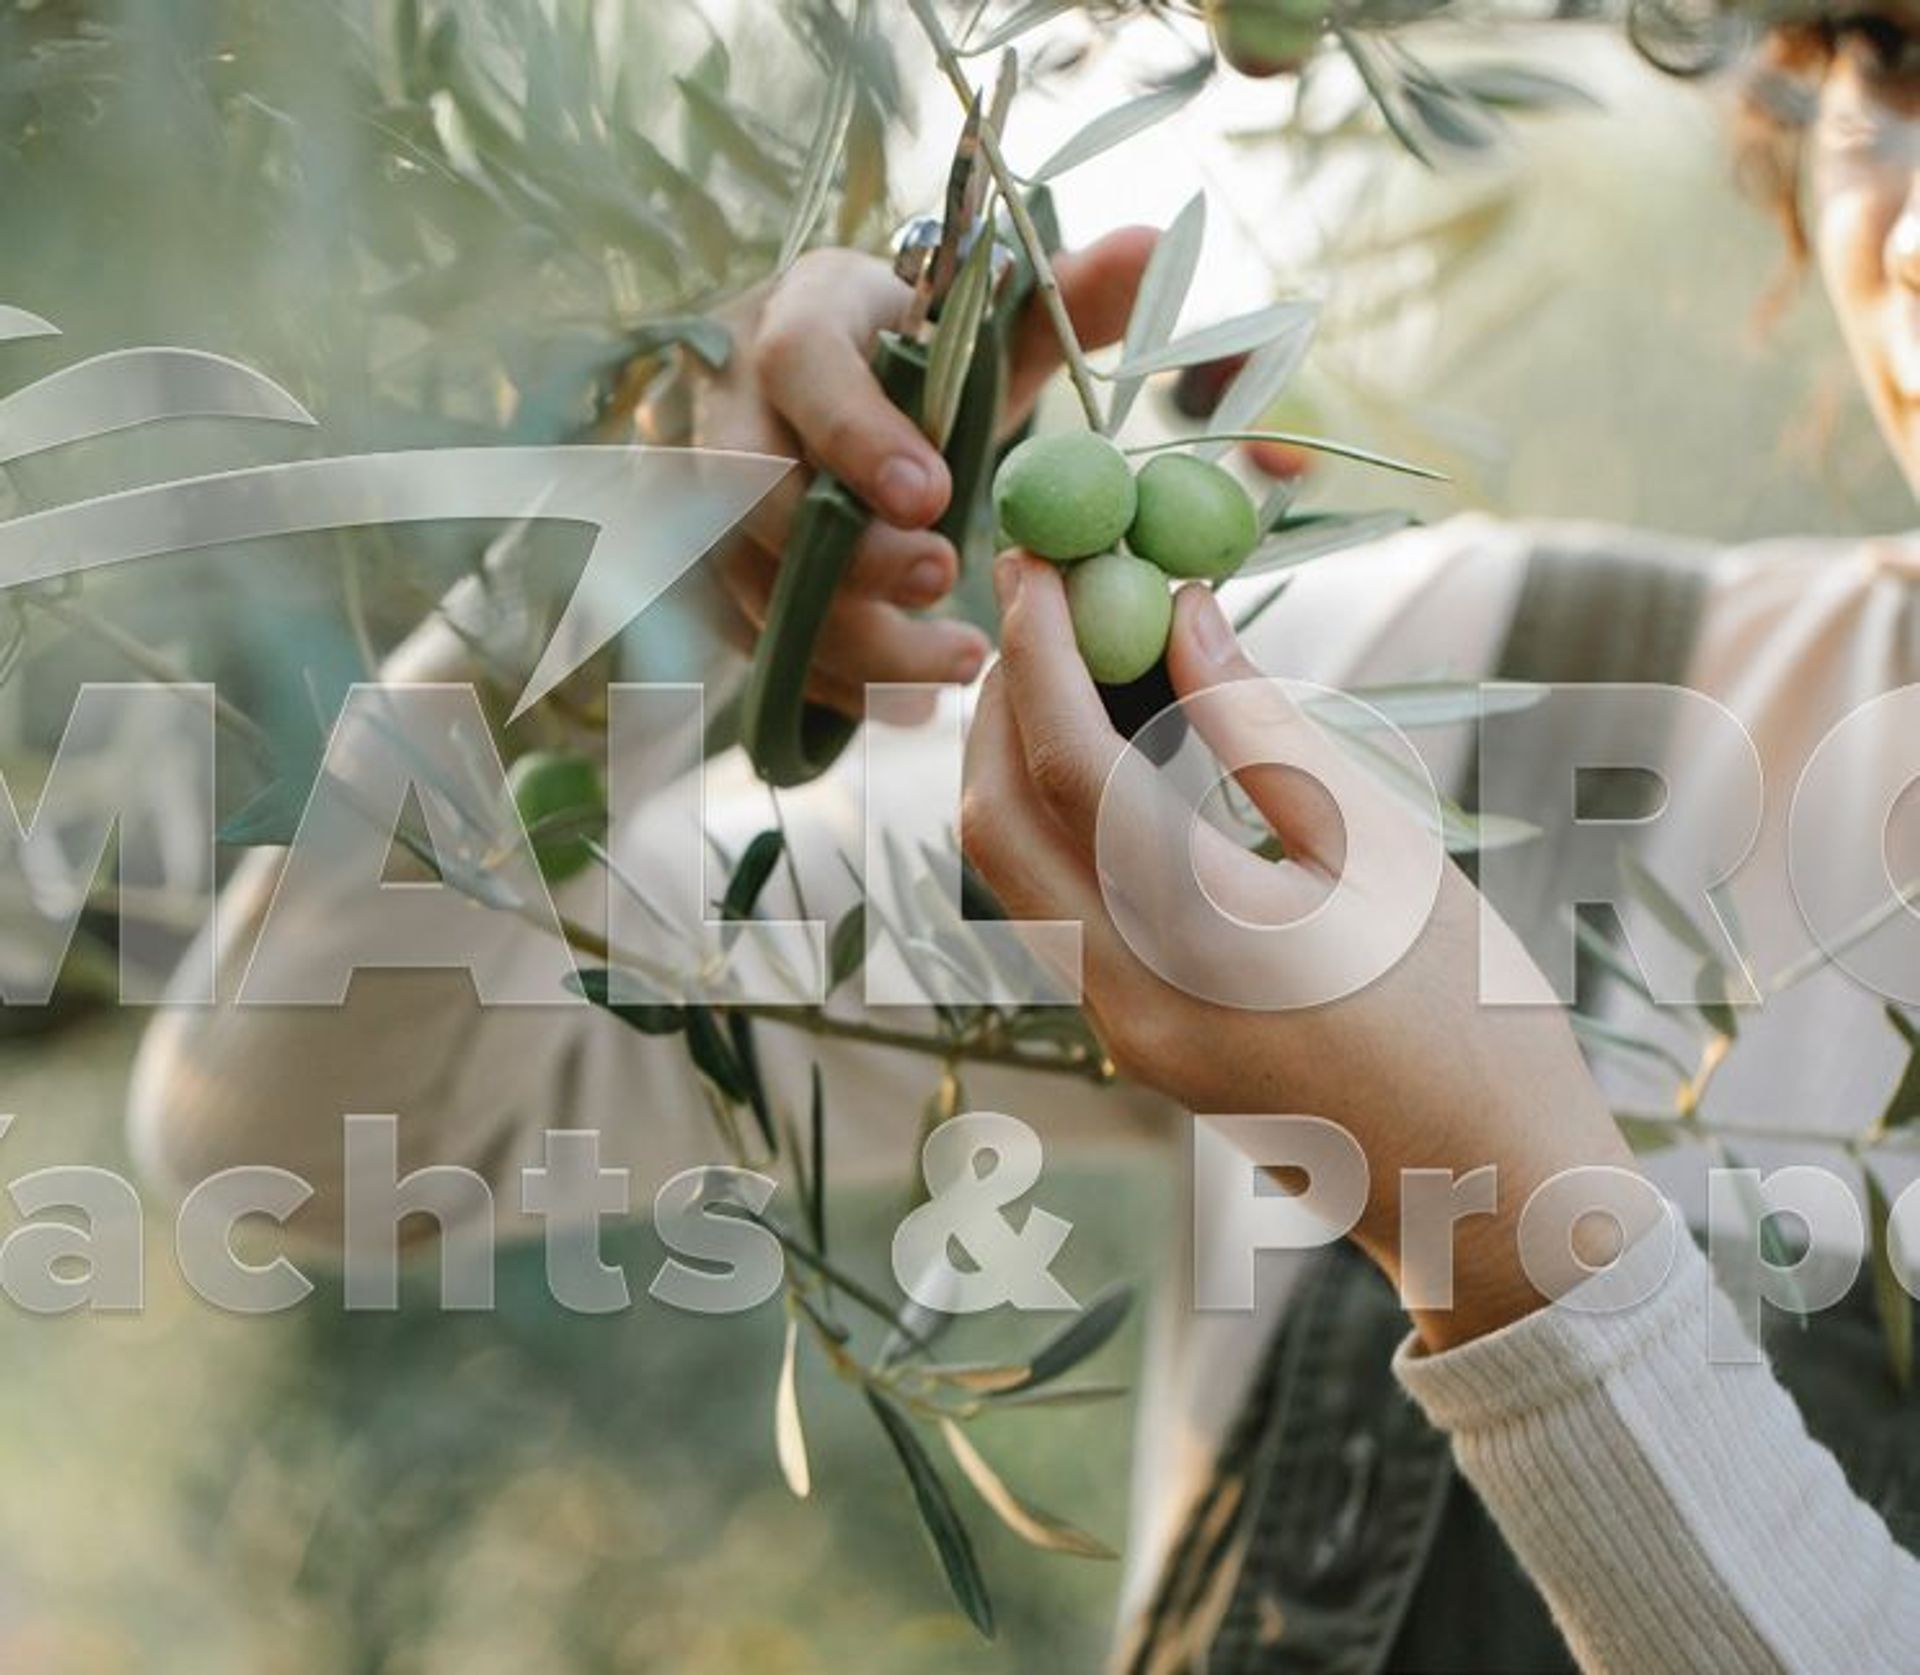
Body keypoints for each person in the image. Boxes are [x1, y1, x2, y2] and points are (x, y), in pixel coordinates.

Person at [132, 13, 1920, 1671]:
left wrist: (1519, 1245)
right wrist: (626, 603)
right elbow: (294, 1143)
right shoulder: (1495, 703)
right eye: (1889, 60)